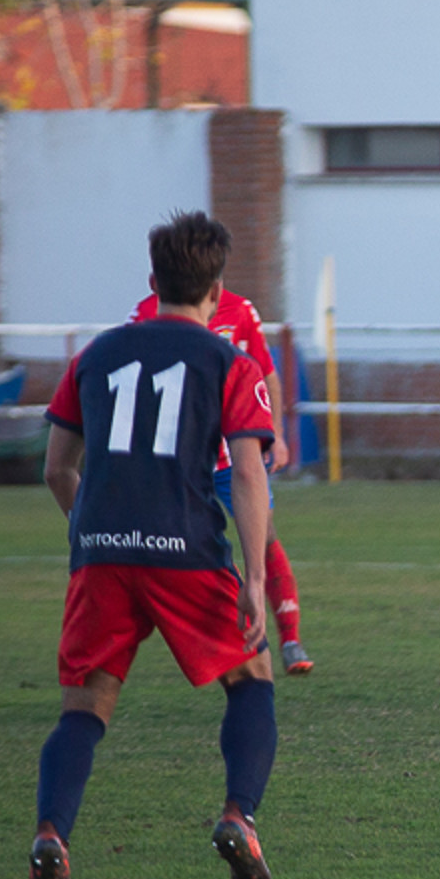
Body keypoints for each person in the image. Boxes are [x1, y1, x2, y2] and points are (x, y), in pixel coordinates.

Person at [30, 211, 281, 879]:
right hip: (187, 552)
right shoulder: (231, 362)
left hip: (101, 553)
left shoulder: (97, 355)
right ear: (217, 289)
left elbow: (56, 468)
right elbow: (252, 474)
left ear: (153, 281)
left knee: (83, 708)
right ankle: (238, 816)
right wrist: (255, 580)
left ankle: (52, 836)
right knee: (252, 678)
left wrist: (92, 533)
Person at [132, 284, 314, 675]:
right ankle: (216, 638)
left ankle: (291, 639)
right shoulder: (147, 313)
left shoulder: (240, 310)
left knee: (263, 535)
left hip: (234, 457)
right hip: (180, 459)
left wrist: (277, 435)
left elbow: (266, 372)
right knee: (183, 543)